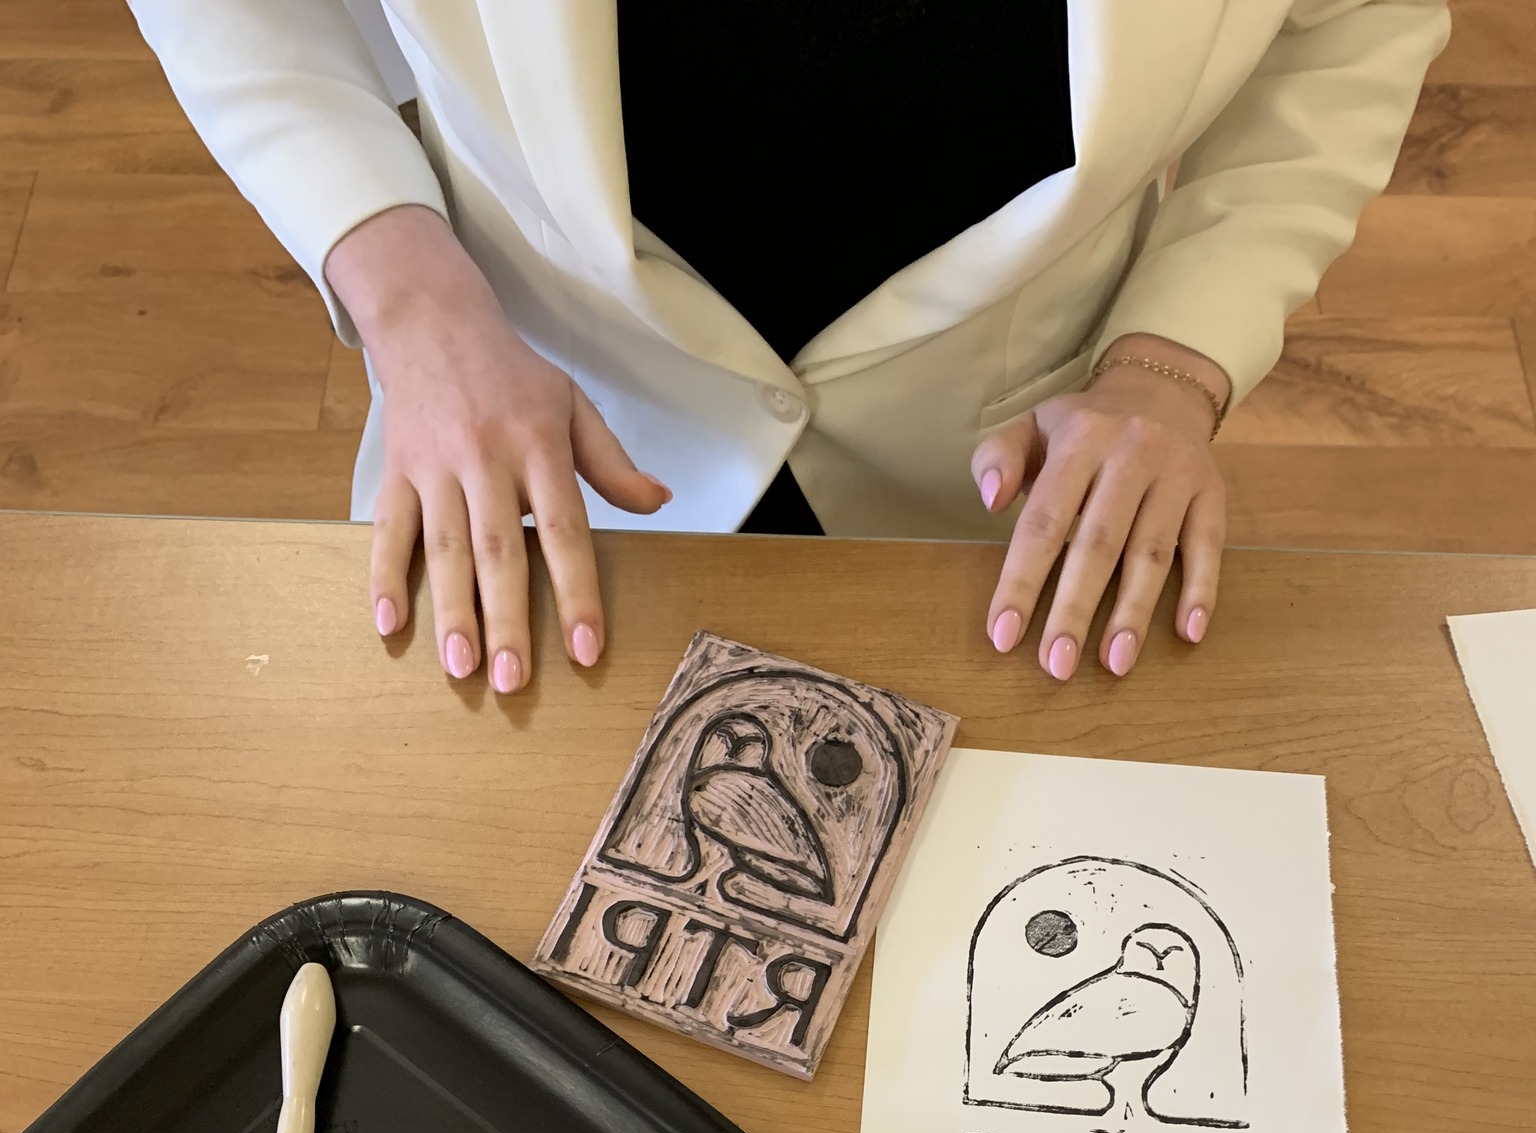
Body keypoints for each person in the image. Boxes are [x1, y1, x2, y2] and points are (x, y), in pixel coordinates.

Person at [128, 1, 1447, 694]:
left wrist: (1171, 361)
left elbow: (1349, 29)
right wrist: (412, 299)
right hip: (532, 430)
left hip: (1007, 486)